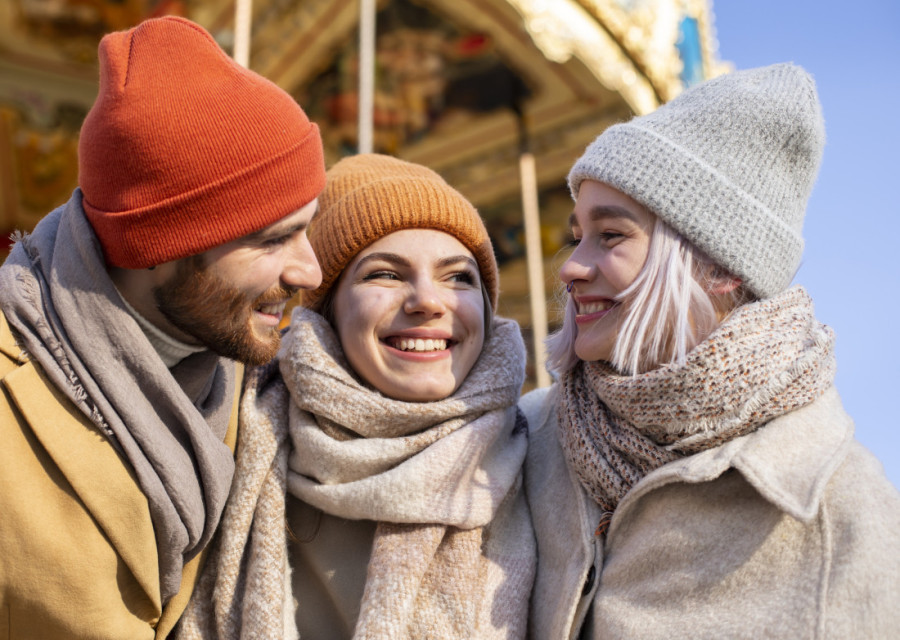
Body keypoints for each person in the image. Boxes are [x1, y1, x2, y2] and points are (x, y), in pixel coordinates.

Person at [521, 63, 900, 638]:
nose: (571, 267)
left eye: (611, 235)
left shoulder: (844, 511)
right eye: (578, 237)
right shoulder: (526, 442)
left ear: (719, 267)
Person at [0, 16, 325, 639]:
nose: (308, 270)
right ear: (158, 244)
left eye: (307, 228)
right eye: (272, 239)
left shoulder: (252, 385)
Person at [178, 154, 535, 640]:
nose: (428, 301)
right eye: (385, 274)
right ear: (327, 313)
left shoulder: (548, 453)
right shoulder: (229, 431)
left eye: (458, 276)